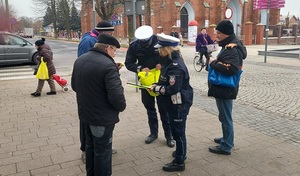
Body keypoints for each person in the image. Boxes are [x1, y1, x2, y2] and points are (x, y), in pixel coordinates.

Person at [71, 34, 126, 176]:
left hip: (85, 114)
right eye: (114, 50)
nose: (114, 54)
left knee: (90, 147)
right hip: (102, 117)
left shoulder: (80, 60)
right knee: (103, 152)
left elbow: (74, 86)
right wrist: (121, 107)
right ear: (108, 48)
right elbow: (117, 97)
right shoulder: (108, 65)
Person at [125, 25, 175, 148]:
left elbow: (171, 56)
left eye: (147, 42)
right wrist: (140, 68)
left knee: (164, 108)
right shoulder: (134, 46)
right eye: (143, 43)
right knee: (150, 107)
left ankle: (169, 136)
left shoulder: (160, 42)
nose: (145, 45)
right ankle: (153, 133)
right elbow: (128, 63)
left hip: (161, 79)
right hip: (146, 81)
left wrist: (162, 64)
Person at [149, 34, 193, 172]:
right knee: (177, 130)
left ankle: (179, 161)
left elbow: (174, 88)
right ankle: (181, 152)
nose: (159, 51)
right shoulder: (169, 61)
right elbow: (165, 80)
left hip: (179, 104)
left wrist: (157, 88)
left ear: (167, 49)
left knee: (178, 132)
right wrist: (157, 84)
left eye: (161, 48)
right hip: (175, 103)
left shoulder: (175, 66)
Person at [77, 21, 117, 161]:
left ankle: (101, 145)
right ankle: (86, 150)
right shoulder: (89, 41)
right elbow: (85, 64)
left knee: (93, 123)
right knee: (87, 122)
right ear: (104, 32)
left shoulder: (96, 39)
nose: (111, 35)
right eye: (110, 33)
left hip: (94, 87)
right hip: (89, 89)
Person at [207, 20, 247, 155]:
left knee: (225, 116)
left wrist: (213, 63)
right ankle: (226, 138)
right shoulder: (228, 45)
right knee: (223, 115)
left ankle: (227, 146)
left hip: (225, 87)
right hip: (224, 87)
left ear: (226, 34)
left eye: (219, 33)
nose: (216, 35)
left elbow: (232, 69)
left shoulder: (232, 49)